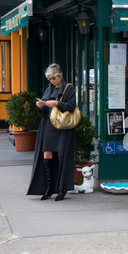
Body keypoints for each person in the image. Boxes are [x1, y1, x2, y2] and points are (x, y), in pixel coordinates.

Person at [27, 63, 76, 201]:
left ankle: (62, 189)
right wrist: (41, 106)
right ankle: (48, 188)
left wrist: (56, 103)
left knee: (62, 155)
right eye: (49, 78)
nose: (52, 81)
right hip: (48, 124)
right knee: (47, 153)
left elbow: (71, 106)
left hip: (63, 126)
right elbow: (44, 110)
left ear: (60, 76)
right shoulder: (49, 89)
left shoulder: (69, 88)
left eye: (53, 78)